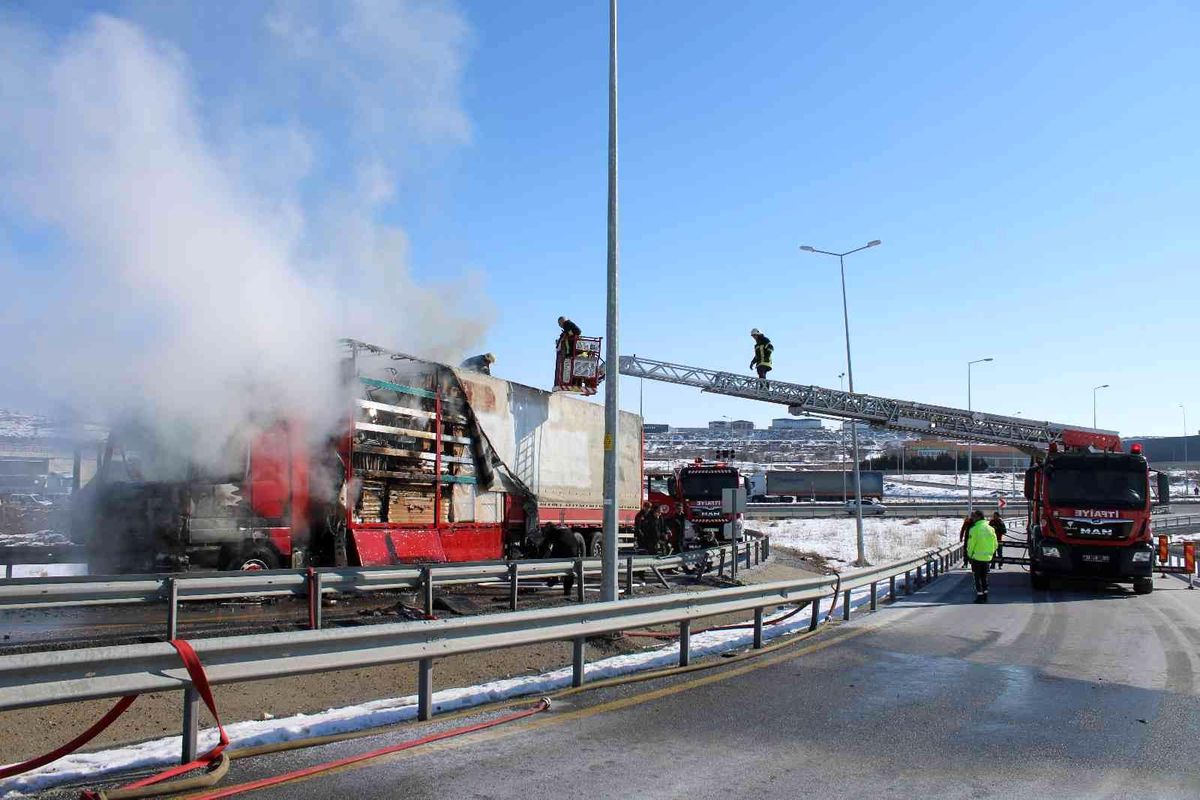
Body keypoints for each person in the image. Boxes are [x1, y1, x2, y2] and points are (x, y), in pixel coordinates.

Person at [539, 524, 586, 597]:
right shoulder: (565, 529)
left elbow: (547, 545)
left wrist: (542, 558)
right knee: (570, 571)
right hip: (573, 552)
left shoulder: (554, 532)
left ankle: (554, 578)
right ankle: (567, 590)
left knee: (552, 561)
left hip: (564, 550)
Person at [965, 510, 998, 603]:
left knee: (977, 577)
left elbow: (971, 544)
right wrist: (991, 553)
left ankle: (980, 596)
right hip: (987, 557)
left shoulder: (974, 529)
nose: (972, 518)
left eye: (974, 517)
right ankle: (985, 595)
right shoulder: (991, 529)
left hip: (976, 557)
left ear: (979, 517)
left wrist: (969, 555)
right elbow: (995, 544)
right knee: (984, 577)